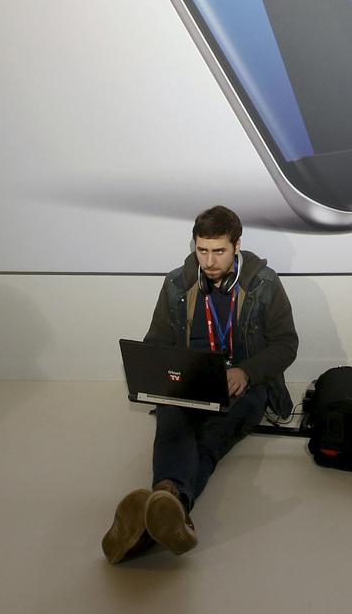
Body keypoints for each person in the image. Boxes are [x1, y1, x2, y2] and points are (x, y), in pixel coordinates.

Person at [102, 205, 299, 563]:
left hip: (245, 385)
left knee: (209, 439)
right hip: (190, 381)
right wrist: (167, 376)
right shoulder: (177, 283)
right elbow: (157, 343)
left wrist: (246, 372)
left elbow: (286, 344)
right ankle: (170, 503)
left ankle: (160, 504)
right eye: (202, 250)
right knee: (172, 422)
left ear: (237, 245)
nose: (209, 261)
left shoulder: (265, 284)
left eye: (218, 251)